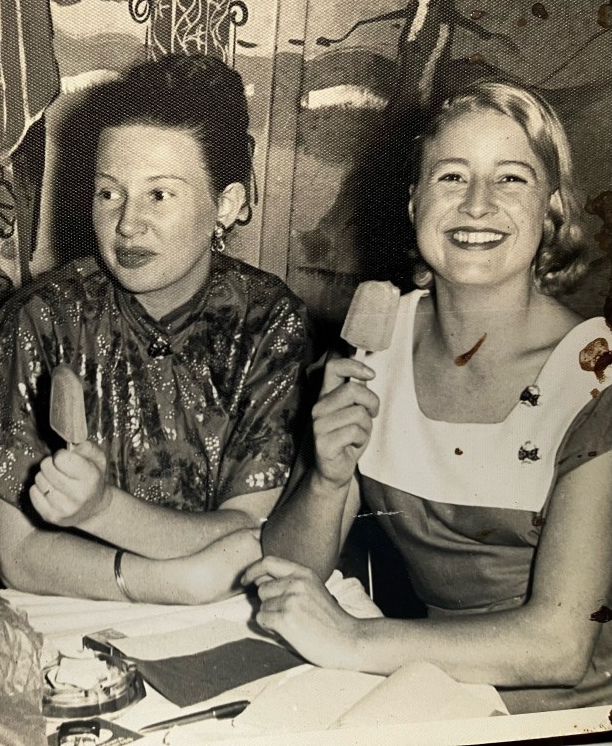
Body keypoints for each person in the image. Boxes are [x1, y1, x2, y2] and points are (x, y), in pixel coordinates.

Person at [257, 78, 612, 713]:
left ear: (553, 209)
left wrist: (351, 638)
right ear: (415, 202)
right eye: (452, 177)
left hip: (574, 715)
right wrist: (328, 479)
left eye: (511, 179)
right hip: (430, 688)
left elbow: (558, 648)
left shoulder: (596, 377)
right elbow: (286, 573)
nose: (477, 204)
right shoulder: (373, 346)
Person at [0, 54, 311, 603]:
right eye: (109, 193)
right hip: (67, 614)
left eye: (159, 194)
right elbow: (17, 554)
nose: (127, 224)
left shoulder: (269, 322)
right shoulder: (42, 317)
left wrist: (101, 510)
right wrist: (171, 579)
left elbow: (250, 534)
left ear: (225, 203)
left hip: (225, 618)